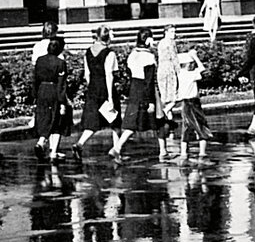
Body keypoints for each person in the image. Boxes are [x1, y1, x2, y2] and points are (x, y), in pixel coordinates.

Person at [113, 28, 168, 161]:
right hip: (147, 90)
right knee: (160, 121)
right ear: (148, 40)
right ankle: (162, 150)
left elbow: (130, 73)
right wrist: (150, 101)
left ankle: (118, 147)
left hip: (135, 89)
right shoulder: (148, 57)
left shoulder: (133, 54)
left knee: (133, 122)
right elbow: (149, 80)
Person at [72, 26, 122, 163]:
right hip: (106, 90)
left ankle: (80, 144)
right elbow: (109, 75)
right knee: (115, 122)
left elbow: (87, 73)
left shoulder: (88, 52)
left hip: (93, 89)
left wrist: (92, 87)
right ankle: (117, 151)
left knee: (93, 122)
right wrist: (110, 97)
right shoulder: (109, 53)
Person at [34, 36, 69, 162]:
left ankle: (41, 141)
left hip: (42, 91)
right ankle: (53, 151)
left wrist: (35, 94)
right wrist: (62, 102)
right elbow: (61, 84)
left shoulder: (39, 60)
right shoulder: (60, 63)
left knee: (45, 117)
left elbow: (35, 79)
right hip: (54, 91)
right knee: (58, 120)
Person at [176, 49, 213, 164]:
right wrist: (196, 57)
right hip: (193, 102)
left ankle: (183, 153)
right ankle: (202, 152)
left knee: (186, 127)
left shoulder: (180, 73)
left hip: (185, 103)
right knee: (201, 125)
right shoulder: (191, 74)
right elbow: (203, 69)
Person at [156, 23, 180, 122]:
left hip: (161, 69)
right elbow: (174, 57)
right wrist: (179, 71)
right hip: (169, 69)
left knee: (165, 95)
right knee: (174, 96)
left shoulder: (161, 42)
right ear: (166, 32)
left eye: (174, 32)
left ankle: (169, 120)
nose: (173, 34)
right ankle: (165, 111)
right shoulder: (170, 43)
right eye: (171, 32)